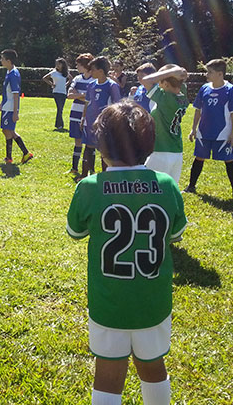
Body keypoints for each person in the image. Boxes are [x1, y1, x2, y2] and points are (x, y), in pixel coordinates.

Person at [67, 100, 187, 405]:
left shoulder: (90, 186)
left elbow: (75, 231)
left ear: (101, 145)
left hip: (109, 301)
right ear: (149, 142)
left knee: (107, 370)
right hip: (153, 299)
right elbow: (174, 234)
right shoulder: (167, 185)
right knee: (152, 365)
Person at [184, 58, 233, 201]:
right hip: (204, 132)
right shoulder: (204, 88)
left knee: (229, 160)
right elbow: (198, 110)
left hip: (223, 134)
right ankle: (191, 186)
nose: (206, 75)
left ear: (220, 74)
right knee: (199, 158)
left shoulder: (230, 90)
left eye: (209, 72)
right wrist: (193, 129)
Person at [138, 65, 189, 184]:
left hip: (161, 151)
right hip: (176, 151)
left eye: (160, 83)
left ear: (166, 84)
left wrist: (170, 72)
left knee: (149, 187)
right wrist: (176, 73)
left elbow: (145, 80)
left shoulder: (165, 98)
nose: (158, 85)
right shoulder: (182, 95)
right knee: (169, 190)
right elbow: (181, 81)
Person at [79, 56, 122, 178]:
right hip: (90, 122)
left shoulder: (112, 86)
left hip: (104, 123)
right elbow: (87, 103)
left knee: (104, 150)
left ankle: (105, 177)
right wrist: (83, 118)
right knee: (88, 147)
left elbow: (117, 106)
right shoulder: (91, 85)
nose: (90, 72)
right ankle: (84, 175)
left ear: (101, 71)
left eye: (92, 69)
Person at [0, 49, 34, 164]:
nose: (1, 60)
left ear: (8, 61)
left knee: (8, 131)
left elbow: (15, 94)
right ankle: (25, 153)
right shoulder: (9, 72)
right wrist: (1, 103)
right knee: (8, 131)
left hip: (10, 108)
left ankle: (10, 157)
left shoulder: (13, 74)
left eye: (2, 59)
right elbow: (7, 92)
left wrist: (15, 112)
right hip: (6, 106)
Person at [67, 53, 95, 175]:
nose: (76, 67)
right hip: (75, 113)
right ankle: (74, 168)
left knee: (90, 143)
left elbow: (92, 99)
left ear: (85, 65)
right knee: (77, 141)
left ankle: (91, 169)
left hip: (89, 115)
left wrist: (78, 95)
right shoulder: (77, 79)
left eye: (78, 65)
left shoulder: (95, 80)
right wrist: (83, 96)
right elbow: (69, 95)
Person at [43, 58, 69, 130]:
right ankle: (60, 125)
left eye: (59, 64)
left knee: (61, 109)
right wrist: (52, 84)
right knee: (59, 108)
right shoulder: (54, 72)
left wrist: (66, 85)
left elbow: (71, 79)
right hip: (56, 92)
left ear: (63, 65)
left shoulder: (65, 73)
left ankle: (58, 124)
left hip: (63, 92)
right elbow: (45, 78)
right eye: (56, 64)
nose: (57, 65)